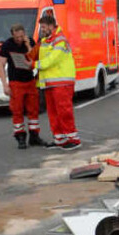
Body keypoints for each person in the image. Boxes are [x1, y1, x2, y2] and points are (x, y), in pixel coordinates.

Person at [34, 13, 81, 150]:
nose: (42, 30)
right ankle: (60, 139)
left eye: (43, 27)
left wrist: (33, 65)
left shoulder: (60, 40)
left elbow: (51, 60)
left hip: (62, 82)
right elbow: (37, 56)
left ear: (50, 26)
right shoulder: (45, 41)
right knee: (53, 113)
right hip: (50, 83)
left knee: (64, 111)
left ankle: (73, 139)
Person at [0, 23, 45, 149]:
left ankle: (34, 136)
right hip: (15, 82)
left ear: (24, 33)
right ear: (13, 35)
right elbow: (1, 65)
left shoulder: (29, 41)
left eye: (21, 36)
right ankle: (20, 137)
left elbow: (34, 58)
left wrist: (28, 45)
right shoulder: (7, 45)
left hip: (30, 80)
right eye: (17, 37)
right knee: (17, 110)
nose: (19, 39)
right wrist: (5, 85)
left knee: (34, 109)